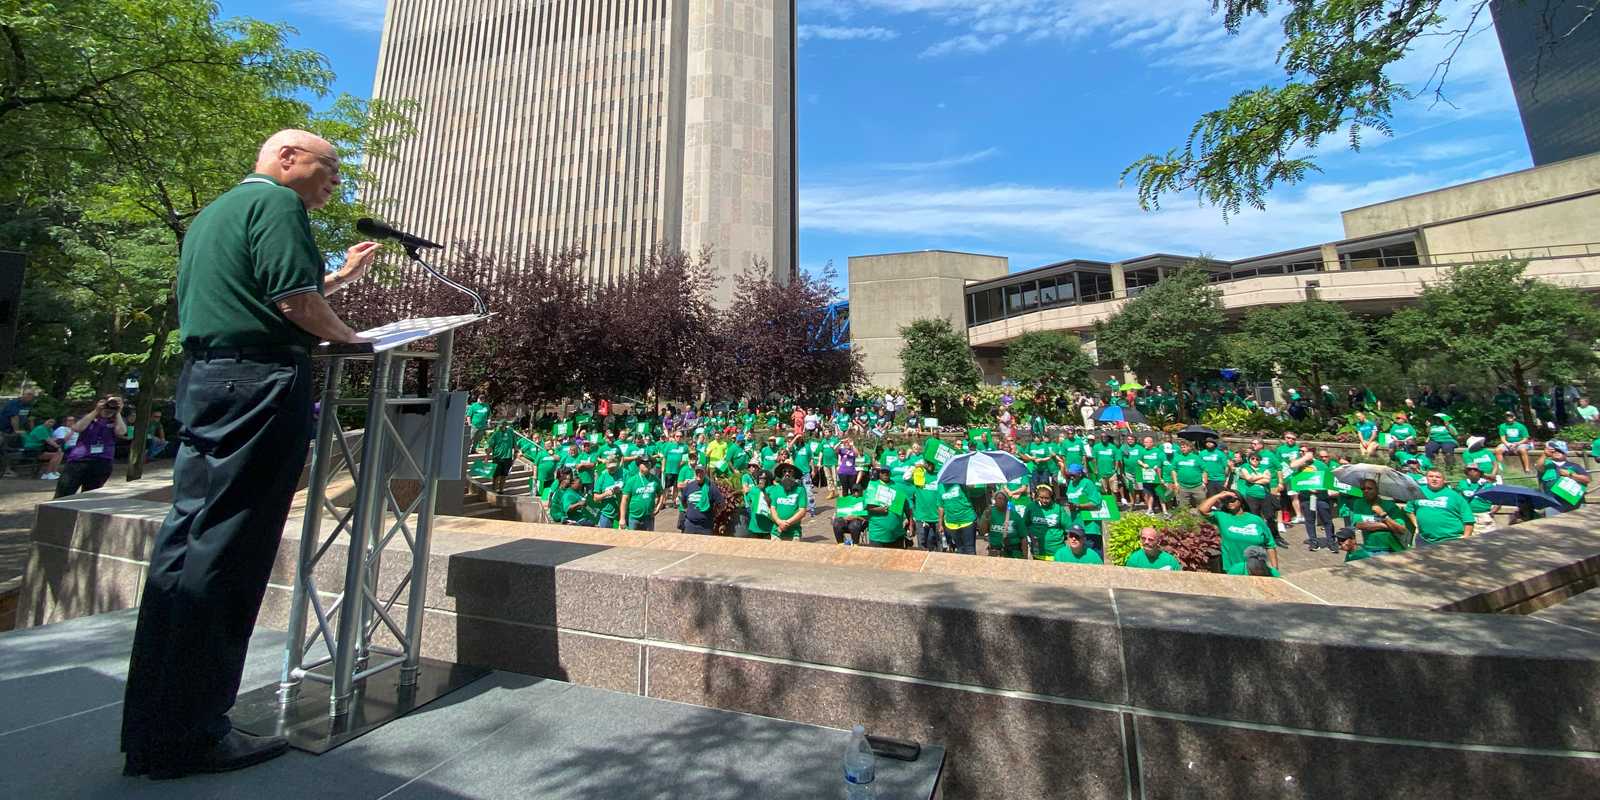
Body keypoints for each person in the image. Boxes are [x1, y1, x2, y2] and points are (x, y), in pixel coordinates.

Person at [122, 130, 380, 779]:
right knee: (231, 550)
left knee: (187, 544)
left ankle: (154, 727)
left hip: (209, 380)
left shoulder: (216, 213)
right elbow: (292, 302)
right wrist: (353, 338)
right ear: (287, 157)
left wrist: (340, 279)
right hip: (259, 386)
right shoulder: (278, 206)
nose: (332, 185)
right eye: (328, 169)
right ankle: (194, 732)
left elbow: (263, 292)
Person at [54, 399, 129, 498]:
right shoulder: (89, 417)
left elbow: (120, 433)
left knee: (90, 494)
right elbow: (77, 428)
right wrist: (96, 411)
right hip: (79, 459)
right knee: (64, 492)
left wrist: (118, 412)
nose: (111, 405)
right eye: (109, 402)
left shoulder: (119, 420)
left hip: (103, 459)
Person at [1199, 489, 1278, 574]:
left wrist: (1274, 567)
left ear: (1240, 501)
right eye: (1226, 500)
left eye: (1232, 499)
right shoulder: (1222, 517)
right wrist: (1219, 495)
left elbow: (1270, 544)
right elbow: (1202, 509)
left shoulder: (1256, 520)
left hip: (1257, 568)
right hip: (1233, 568)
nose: (1229, 502)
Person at [1343, 478, 1411, 555]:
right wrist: (1384, 525)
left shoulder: (1390, 506)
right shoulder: (1359, 503)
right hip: (1369, 548)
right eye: (1363, 489)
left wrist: (1383, 515)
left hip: (1389, 548)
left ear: (1377, 489)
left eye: (1370, 488)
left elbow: (1401, 529)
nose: (1366, 491)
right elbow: (1359, 525)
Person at [1407, 468, 1476, 544]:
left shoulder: (1455, 496)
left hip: (1451, 539)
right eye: (1431, 476)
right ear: (1426, 478)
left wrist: (1466, 537)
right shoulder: (1417, 492)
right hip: (1424, 539)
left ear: (1444, 480)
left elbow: (1468, 519)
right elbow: (1410, 510)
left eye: (1438, 477)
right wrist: (1416, 525)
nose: (1434, 479)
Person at [1233, 451, 1282, 546]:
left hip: (1264, 495)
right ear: (1249, 459)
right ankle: (1257, 537)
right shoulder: (1245, 467)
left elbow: (1267, 480)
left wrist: (1254, 479)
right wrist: (1261, 477)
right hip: (1251, 496)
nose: (1255, 460)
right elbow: (1248, 478)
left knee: (1270, 516)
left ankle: (1276, 537)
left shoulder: (1264, 468)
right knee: (1255, 517)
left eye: (1257, 459)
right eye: (1253, 458)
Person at [863, 466, 910, 548]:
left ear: (890, 473)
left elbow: (908, 506)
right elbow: (866, 507)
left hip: (897, 535)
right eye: (882, 472)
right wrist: (879, 509)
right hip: (877, 536)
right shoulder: (872, 487)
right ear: (879, 474)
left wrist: (911, 524)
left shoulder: (898, 487)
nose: (885, 474)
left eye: (887, 472)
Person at [1538, 440, 1590, 515]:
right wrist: (1545, 454)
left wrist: (1570, 474)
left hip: (1575, 501)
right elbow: (1538, 467)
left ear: (1565, 454)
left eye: (1560, 451)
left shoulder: (1575, 466)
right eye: (1555, 451)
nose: (1557, 452)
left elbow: (1587, 479)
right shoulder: (1547, 465)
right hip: (1553, 502)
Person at [1023, 484, 1069, 560]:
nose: (1044, 501)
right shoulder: (1031, 507)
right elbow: (1024, 525)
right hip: (1038, 552)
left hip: (1056, 551)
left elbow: (1067, 529)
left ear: (1051, 497)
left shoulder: (1058, 508)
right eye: (1041, 498)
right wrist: (1031, 536)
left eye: (1047, 498)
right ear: (1037, 497)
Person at [677, 465, 724, 534]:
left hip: (705, 526)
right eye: (697, 472)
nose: (699, 474)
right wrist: (689, 511)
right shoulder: (689, 486)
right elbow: (683, 502)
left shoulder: (711, 487)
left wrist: (715, 514)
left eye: (701, 472)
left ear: (705, 473)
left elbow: (721, 504)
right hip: (690, 525)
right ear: (694, 473)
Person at [937, 480, 979, 555]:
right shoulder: (940, 485)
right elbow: (941, 506)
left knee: (969, 548)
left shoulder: (960, 482)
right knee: (960, 548)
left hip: (967, 520)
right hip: (951, 523)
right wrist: (940, 524)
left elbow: (971, 487)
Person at [768, 463, 808, 541]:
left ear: (794, 473)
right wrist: (779, 522)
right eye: (784, 471)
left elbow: (802, 512)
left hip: (794, 533)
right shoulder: (776, 488)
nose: (787, 473)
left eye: (790, 471)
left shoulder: (800, 489)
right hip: (777, 532)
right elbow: (773, 508)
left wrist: (786, 524)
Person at [1456, 464, 1497, 534]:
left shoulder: (1488, 486)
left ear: (1480, 473)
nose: (1472, 472)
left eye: (1475, 470)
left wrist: (1491, 512)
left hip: (1483, 516)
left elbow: (1498, 501)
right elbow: (1459, 499)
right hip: (1468, 515)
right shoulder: (1462, 484)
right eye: (1469, 470)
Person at [592, 455, 628, 529]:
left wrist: (620, 491)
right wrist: (606, 494)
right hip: (607, 513)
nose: (611, 469)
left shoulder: (625, 473)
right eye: (609, 467)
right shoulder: (602, 478)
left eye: (613, 467)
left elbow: (631, 491)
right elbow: (595, 498)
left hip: (622, 513)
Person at [1169, 440, 1206, 510]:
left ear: (1189, 447)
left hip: (1197, 486)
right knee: (1183, 507)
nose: (1183, 449)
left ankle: (1202, 519)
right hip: (1183, 486)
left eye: (1184, 447)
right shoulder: (1177, 458)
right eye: (1181, 448)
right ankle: (1186, 519)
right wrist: (1176, 482)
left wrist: (1204, 482)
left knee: (1202, 504)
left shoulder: (1196, 457)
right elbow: (1173, 470)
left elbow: (1205, 470)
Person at [486, 420, 518, 494]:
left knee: (504, 474)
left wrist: (515, 452)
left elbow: (514, 443)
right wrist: (487, 457)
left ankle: (501, 490)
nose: (500, 428)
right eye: (499, 427)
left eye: (501, 426)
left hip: (507, 457)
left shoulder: (510, 432)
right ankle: (494, 490)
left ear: (505, 425)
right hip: (497, 457)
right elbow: (490, 446)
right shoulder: (496, 434)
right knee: (496, 475)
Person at [744, 470, 778, 540]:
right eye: (760, 478)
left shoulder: (772, 489)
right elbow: (749, 501)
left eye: (765, 478)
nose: (762, 480)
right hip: (756, 523)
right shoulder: (753, 489)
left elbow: (771, 503)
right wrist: (753, 510)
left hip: (768, 523)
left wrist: (763, 491)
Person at [832, 478, 866, 544]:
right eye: (854, 491)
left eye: (857, 491)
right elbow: (841, 512)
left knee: (854, 525)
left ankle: (855, 544)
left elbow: (868, 519)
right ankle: (840, 544)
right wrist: (842, 516)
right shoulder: (847, 500)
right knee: (837, 524)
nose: (856, 493)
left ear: (861, 491)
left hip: (860, 522)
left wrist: (857, 517)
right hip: (846, 520)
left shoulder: (865, 500)